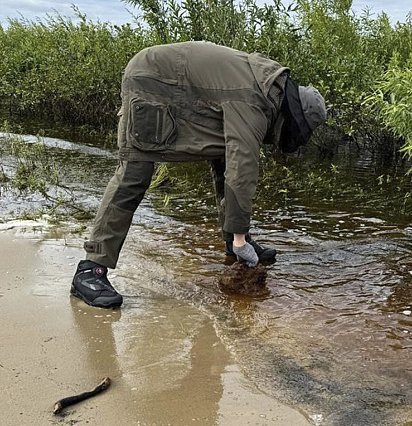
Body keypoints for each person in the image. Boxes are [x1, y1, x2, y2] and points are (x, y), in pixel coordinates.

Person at [70, 41, 327, 308]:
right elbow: (243, 168)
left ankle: (233, 242)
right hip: (153, 81)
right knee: (134, 175)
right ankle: (90, 270)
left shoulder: (265, 85)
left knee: (224, 160)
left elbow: (229, 163)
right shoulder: (252, 97)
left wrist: (237, 238)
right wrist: (241, 237)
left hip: (175, 83)